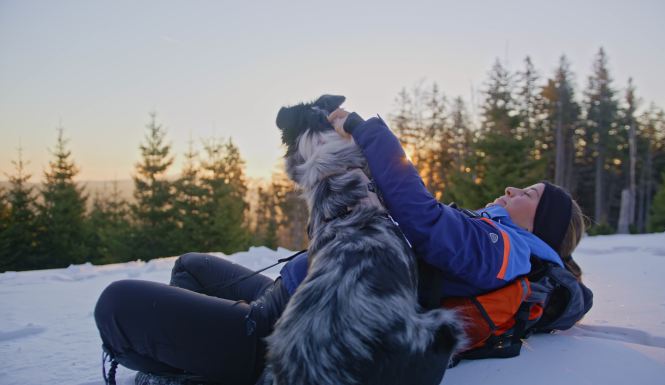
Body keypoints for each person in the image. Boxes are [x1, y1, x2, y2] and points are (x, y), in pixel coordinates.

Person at [94, 107, 591, 385]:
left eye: (528, 194)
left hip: (303, 331)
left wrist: (363, 128)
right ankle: (196, 363)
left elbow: (422, 219)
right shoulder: (492, 237)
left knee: (117, 306)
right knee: (192, 267)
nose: (512, 191)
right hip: (306, 292)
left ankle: (202, 376)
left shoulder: (506, 246)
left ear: (542, 227)